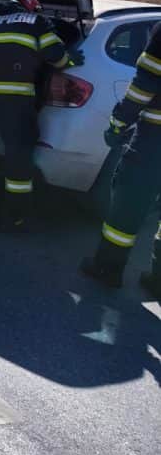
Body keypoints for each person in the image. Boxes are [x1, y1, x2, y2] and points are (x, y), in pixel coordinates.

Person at [0, 0, 82, 231]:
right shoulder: (36, 22)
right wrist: (70, 61)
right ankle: (15, 216)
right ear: (29, 9)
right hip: (14, 100)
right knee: (18, 156)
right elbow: (57, 57)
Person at [80, 22, 161, 291]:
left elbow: (142, 87)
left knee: (129, 204)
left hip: (155, 140)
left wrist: (117, 124)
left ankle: (107, 269)